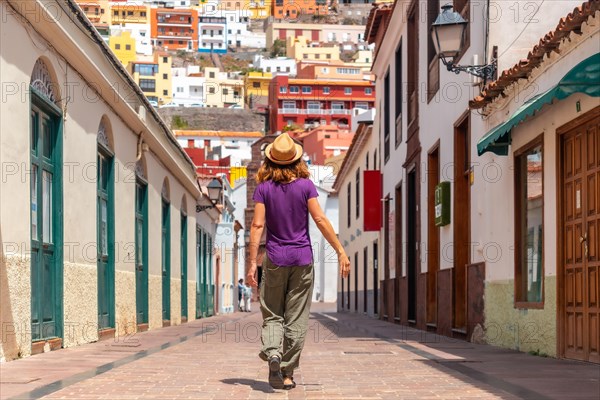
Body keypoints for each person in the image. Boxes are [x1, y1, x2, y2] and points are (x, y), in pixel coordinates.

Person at [246, 133, 350, 390]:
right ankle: (288, 373)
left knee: (272, 315)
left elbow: (257, 225)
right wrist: (340, 250)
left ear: (270, 161)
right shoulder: (306, 186)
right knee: (296, 317)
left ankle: (273, 353)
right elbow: (321, 220)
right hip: (302, 258)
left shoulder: (263, 189)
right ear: (296, 160)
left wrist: (250, 263)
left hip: (275, 259)